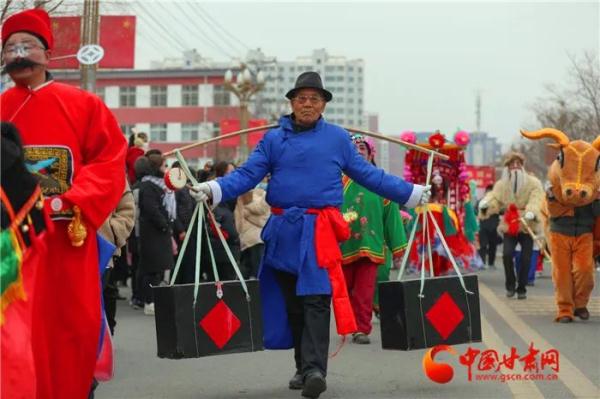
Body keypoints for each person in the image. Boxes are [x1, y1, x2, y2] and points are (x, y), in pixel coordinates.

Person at [190, 71, 430, 399]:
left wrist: (411, 193)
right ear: (291, 103)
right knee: (293, 304)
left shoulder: (338, 139)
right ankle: (303, 366)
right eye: (301, 98)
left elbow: (368, 175)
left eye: (314, 99)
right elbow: (247, 175)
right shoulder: (274, 140)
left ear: (323, 106)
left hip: (320, 233)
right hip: (283, 232)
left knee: (317, 299)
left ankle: (316, 370)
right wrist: (213, 187)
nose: (307, 104)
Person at [0, 9, 127, 399]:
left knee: (70, 330)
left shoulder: (84, 106)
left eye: (28, 46)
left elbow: (109, 161)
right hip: (11, 251)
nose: (19, 54)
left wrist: (71, 200)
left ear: (48, 53)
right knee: (15, 334)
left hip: (66, 241)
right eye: (10, 48)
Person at [340, 134, 407, 345]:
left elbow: (392, 217)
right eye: (354, 148)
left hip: (371, 245)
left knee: (365, 290)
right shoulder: (336, 182)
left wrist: (398, 249)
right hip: (342, 246)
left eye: (362, 148)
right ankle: (349, 324)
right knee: (344, 290)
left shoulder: (380, 183)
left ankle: (361, 328)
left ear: (370, 154)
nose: (359, 151)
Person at [479, 152, 543, 300]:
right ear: (507, 167)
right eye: (511, 164)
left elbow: (537, 199)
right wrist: (485, 205)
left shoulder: (533, 182)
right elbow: (494, 198)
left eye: (518, 164)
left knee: (526, 258)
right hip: (510, 224)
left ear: (522, 166)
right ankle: (510, 285)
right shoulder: (502, 185)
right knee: (507, 254)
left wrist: (531, 212)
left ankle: (522, 287)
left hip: (528, 224)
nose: (515, 167)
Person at [136, 152, 176, 315]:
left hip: (160, 233)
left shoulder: (159, 185)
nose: (165, 169)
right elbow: (152, 209)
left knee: (158, 269)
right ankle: (149, 301)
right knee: (152, 269)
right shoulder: (148, 186)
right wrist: (165, 224)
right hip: (153, 234)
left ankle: (153, 300)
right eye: (163, 166)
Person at [235, 178, 271, 279]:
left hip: (247, 238)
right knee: (257, 272)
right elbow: (265, 216)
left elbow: (239, 218)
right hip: (257, 238)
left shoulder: (241, 197)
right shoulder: (263, 196)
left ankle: (243, 292)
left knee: (246, 269)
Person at [477, 184, 500, 268]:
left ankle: (490, 263)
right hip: (484, 227)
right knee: (483, 245)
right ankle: (482, 262)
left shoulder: (497, 202)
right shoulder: (481, 201)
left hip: (493, 227)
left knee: (492, 246)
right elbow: (477, 210)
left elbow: (502, 211)